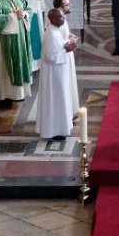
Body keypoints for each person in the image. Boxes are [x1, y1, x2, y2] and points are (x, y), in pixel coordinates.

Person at [35, 10, 76, 141]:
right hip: (54, 76)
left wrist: (66, 43)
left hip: (58, 73)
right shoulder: (51, 34)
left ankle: (58, 128)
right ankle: (53, 130)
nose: (63, 18)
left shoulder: (55, 31)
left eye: (63, 16)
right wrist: (67, 49)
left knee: (60, 100)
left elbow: (57, 47)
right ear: (52, 19)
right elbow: (51, 57)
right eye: (60, 17)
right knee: (56, 101)